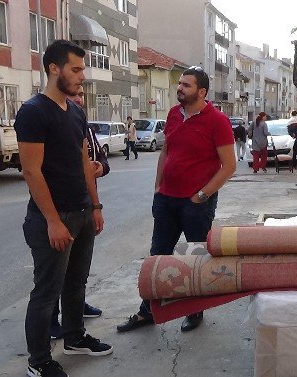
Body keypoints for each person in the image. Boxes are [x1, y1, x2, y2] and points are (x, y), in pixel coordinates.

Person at [15, 39, 112, 377]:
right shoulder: (33, 112)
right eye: (75, 69)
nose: (81, 76)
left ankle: (74, 337)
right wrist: (53, 221)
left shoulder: (75, 111)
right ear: (54, 68)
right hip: (52, 219)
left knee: (76, 283)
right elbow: (31, 171)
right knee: (46, 292)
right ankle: (38, 360)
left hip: (83, 212)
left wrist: (95, 205)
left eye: (82, 69)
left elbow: (84, 162)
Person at [116, 66, 236, 333]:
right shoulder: (172, 114)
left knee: (195, 258)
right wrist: (158, 186)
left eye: (186, 85)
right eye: (179, 84)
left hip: (196, 203)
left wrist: (202, 195)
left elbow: (229, 166)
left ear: (202, 91)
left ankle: (194, 311)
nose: (179, 88)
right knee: (157, 256)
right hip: (167, 200)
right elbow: (166, 152)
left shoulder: (217, 121)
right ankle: (147, 311)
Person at [48, 85, 108, 340]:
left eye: (82, 95)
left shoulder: (85, 127)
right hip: (61, 209)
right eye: (75, 94)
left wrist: (99, 168)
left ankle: (76, 310)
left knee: (77, 271)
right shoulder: (51, 124)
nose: (79, 99)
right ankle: (51, 319)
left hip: (85, 204)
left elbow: (101, 160)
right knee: (53, 273)